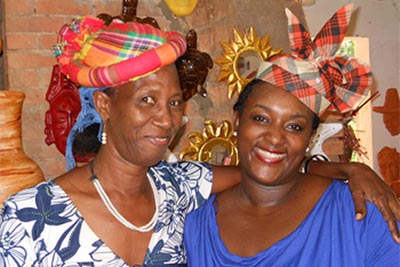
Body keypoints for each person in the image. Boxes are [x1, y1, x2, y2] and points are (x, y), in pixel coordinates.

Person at [0, 11, 399, 267]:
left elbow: (262, 171)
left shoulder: (178, 190)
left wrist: (348, 168)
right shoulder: (28, 215)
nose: (166, 119)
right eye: (147, 100)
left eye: (175, 102)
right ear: (104, 106)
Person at [184, 4, 400, 266]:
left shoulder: (364, 214)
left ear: (310, 139)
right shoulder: (193, 221)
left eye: (294, 127)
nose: (275, 138)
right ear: (237, 120)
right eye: (261, 118)